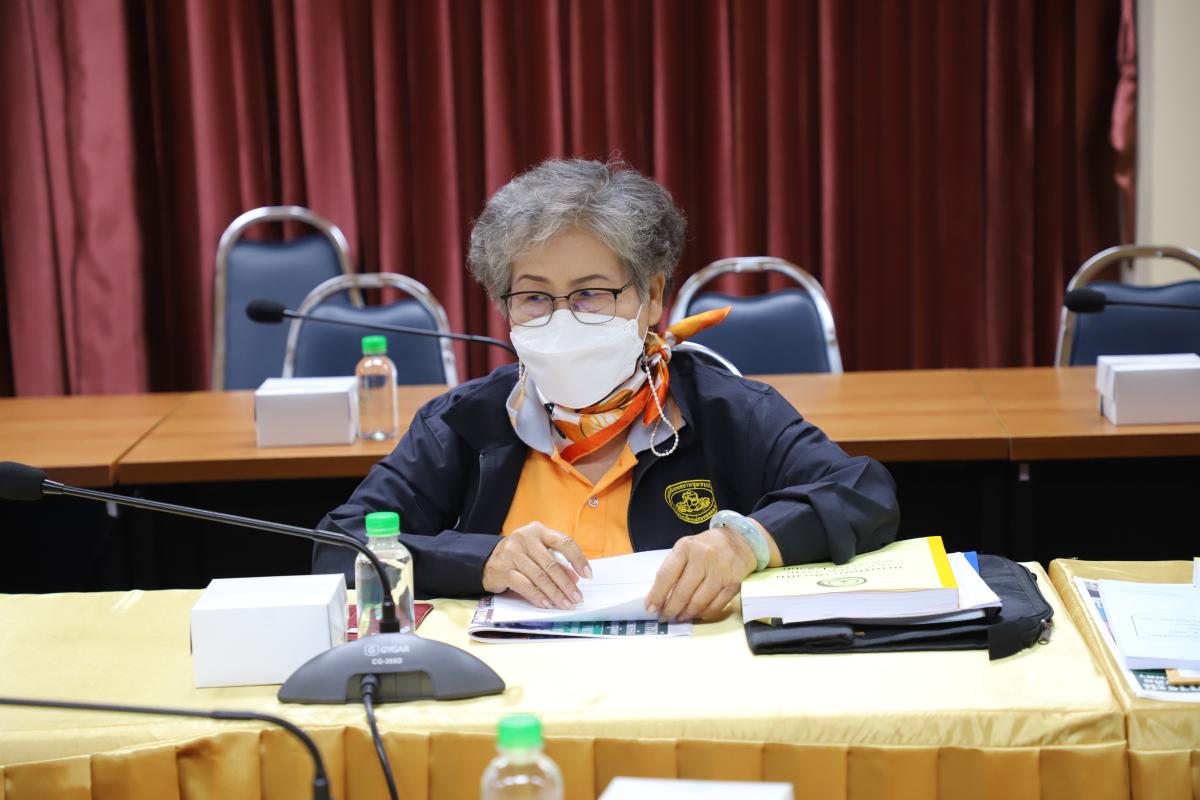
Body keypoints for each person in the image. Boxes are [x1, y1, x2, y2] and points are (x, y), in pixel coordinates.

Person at [314, 158, 899, 622]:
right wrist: (481, 558)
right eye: (534, 296)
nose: (563, 318)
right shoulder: (463, 423)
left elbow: (863, 492)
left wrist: (746, 542)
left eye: (591, 293)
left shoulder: (726, 411)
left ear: (651, 296)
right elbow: (339, 546)